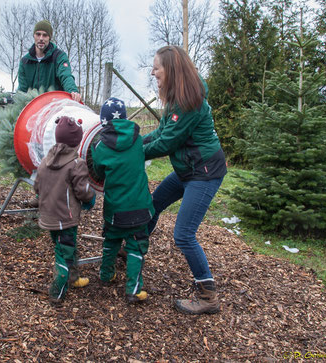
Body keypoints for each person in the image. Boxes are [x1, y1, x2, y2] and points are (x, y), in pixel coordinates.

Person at [143, 45, 227, 315]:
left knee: (183, 234)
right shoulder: (178, 96)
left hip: (204, 173)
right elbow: (161, 132)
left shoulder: (190, 100)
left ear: (172, 69)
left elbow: (167, 142)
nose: (153, 71)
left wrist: (130, 154)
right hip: (187, 170)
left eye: (157, 67)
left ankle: (208, 295)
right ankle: (134, 250)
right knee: (153, 204)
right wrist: (133, 142)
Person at [91, 97, 154, 304]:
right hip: (140, 206)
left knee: (111, 241)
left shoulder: (100, 146)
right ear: (124, 117)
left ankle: (106, 275)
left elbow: (98, 173)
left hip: (115, 209)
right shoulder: (137, 139)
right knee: (136, 247)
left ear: (103, 121)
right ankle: (133, 290)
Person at [33, 116, 96, 304]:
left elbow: (37, 187)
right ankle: (57, 292)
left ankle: (73, 278)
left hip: (48, 216)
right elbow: (83, 190)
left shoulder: (45, 161)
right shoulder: (76, 164)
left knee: (65, 248)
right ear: (77, 142)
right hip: (65, 219)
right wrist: (91, 197)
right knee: (64, 253)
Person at [18, 20, 81, 103]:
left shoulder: (59, 57)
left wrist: (72, 91)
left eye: (45, 35)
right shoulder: (25, 61)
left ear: (49, 38)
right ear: (34, 35)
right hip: (33, 107)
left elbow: (66, 76)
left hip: (55, 105)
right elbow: (22, 89)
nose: (41, 38)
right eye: (38, 34)